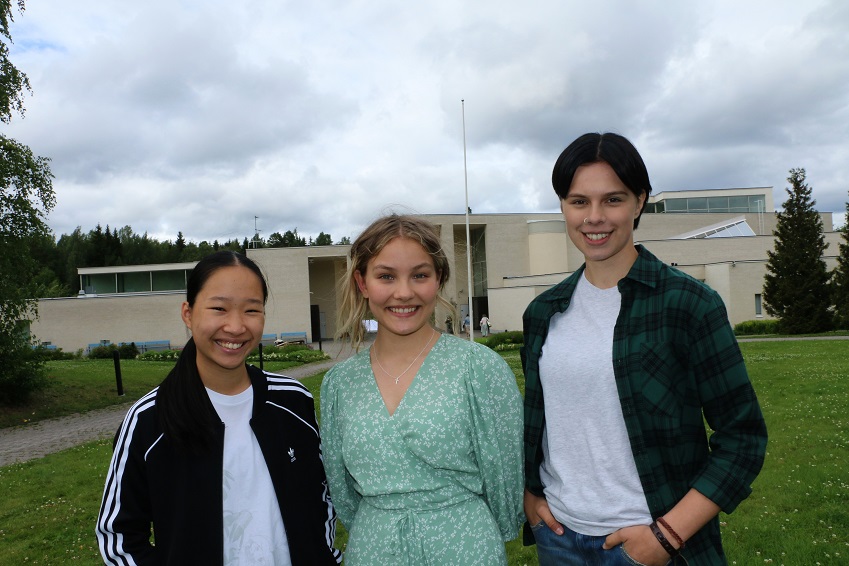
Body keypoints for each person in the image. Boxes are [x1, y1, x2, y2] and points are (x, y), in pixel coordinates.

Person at [522, 133, 767, 565]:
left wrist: (668, 535)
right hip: (558, 539)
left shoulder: (688, 304)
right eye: (579, 202)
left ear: (639, 201)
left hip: (653, 543)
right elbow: (542, 426)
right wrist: (531, 495)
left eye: (612, 200)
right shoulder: (543, 312)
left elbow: (743, 438)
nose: (594, 217)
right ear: (563, 206)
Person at [96, 251, 342, 565]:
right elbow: (119, 537)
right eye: (219, 308)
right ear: (188, 313)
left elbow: (321, 497)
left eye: (251, 310)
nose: (236, 326)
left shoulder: (293, 401)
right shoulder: (150, 418)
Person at [320, 214, 524, 565]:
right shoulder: (340, 384)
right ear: (362, 283)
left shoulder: (478, 369)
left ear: (439, 279)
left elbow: (506, 475)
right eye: (386, 276)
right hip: (373, 551)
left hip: (464, 549)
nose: (404, 292)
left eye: (420, 275)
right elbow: (342, 491)